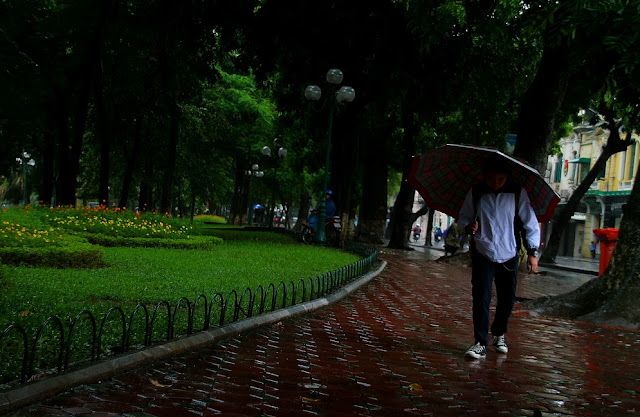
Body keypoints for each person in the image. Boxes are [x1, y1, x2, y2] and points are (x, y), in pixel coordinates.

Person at [459, 155, 540, 360]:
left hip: (509, 252)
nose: (496, 183)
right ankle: (480, 342)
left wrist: (532, 253)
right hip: (483, 251)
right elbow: (464, 218)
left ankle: (498, 332)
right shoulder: (476, 192)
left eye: (501, 179)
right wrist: (468, 227)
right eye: (492, 178)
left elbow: (530, 222)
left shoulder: (516, 193)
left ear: (507, 178)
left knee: (507, 299)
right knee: (481, 297)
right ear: (485, 176)